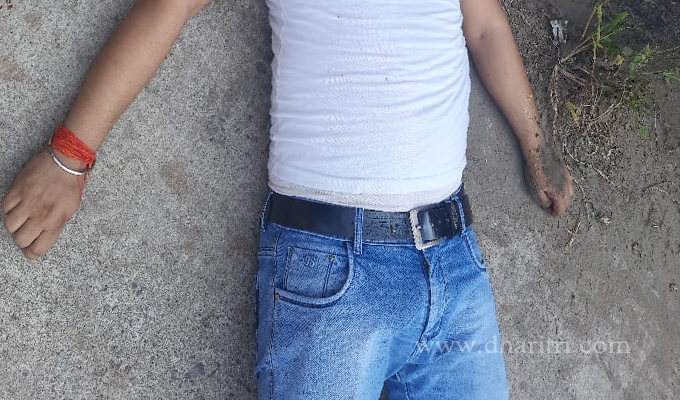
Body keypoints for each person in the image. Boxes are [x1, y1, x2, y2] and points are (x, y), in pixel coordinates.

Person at [2, 0, 572, 398]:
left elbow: (485, 26)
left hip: (454, 259)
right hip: (332, 268)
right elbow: (169, 8)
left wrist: (536, 147)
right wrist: (68, 157)